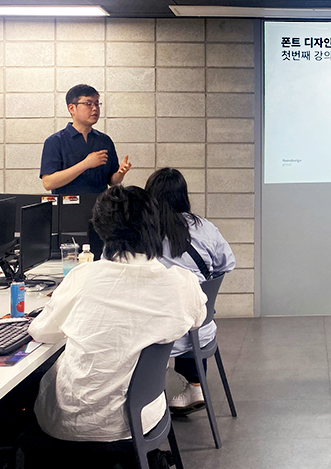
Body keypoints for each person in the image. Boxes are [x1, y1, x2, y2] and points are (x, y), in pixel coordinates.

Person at [28, 185, 206, 443]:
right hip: (144, 418)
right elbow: (198, 319)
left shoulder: (82, 277)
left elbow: (41, 332)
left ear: (100, 228)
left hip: (73, 423)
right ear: (155, 226)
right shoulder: (182, 282)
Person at [145, 168, 236, 414]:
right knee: (188, 305)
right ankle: (196, 384)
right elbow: (227, 263)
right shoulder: (204, 227)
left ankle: (147, 394)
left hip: (157, 337)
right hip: (201, 329)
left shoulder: (143, 233)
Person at [40, 84, 131, 194]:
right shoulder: (55, 141)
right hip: (67, 204)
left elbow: (112, 181)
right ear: (72, 108)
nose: (95, 108)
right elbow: (48, 183)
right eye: (88, 104)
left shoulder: (104, 140)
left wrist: (120, 174)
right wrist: (86, 164)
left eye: (97, 103)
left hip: (99, 204)